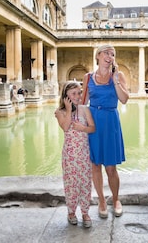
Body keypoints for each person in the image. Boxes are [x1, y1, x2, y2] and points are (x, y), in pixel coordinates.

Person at [81, 44, 129, 219]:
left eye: (113, 54)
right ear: (98, 55)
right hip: (93, 121)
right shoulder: (88, 77)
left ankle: (116, 200)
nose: (110, 56)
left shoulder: (118, 75)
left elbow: (123, 99)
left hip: (110, 122)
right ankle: (101, 200)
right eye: (107, 53)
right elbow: (82, 102)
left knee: (110, 168)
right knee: (95, 165)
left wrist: (115, 79)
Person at [55, 81, 95, 228]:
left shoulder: (85, 109)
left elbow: (92, 128)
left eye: (79, 92)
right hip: (70, 155)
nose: (78, 96)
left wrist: (83, 128)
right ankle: (71, 212)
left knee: (85, 183)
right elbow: (65, 127)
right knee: (71, 184)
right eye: (74, 94)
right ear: (66, 96)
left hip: (84, 153)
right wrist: (68, 108)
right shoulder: (60, 112)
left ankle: (85, 212)